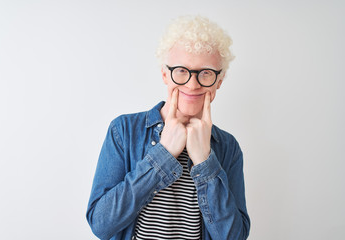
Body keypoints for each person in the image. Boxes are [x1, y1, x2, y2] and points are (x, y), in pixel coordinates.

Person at [86, 15, 250, 240]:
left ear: (218, 81)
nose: (192, 84)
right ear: (165, 74)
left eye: (206, 73)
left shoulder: (228, 147)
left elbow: (233, 237)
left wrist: (205, 161)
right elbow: (101, 223)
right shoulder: (123, 130)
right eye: (181, 70)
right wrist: (163, 155)